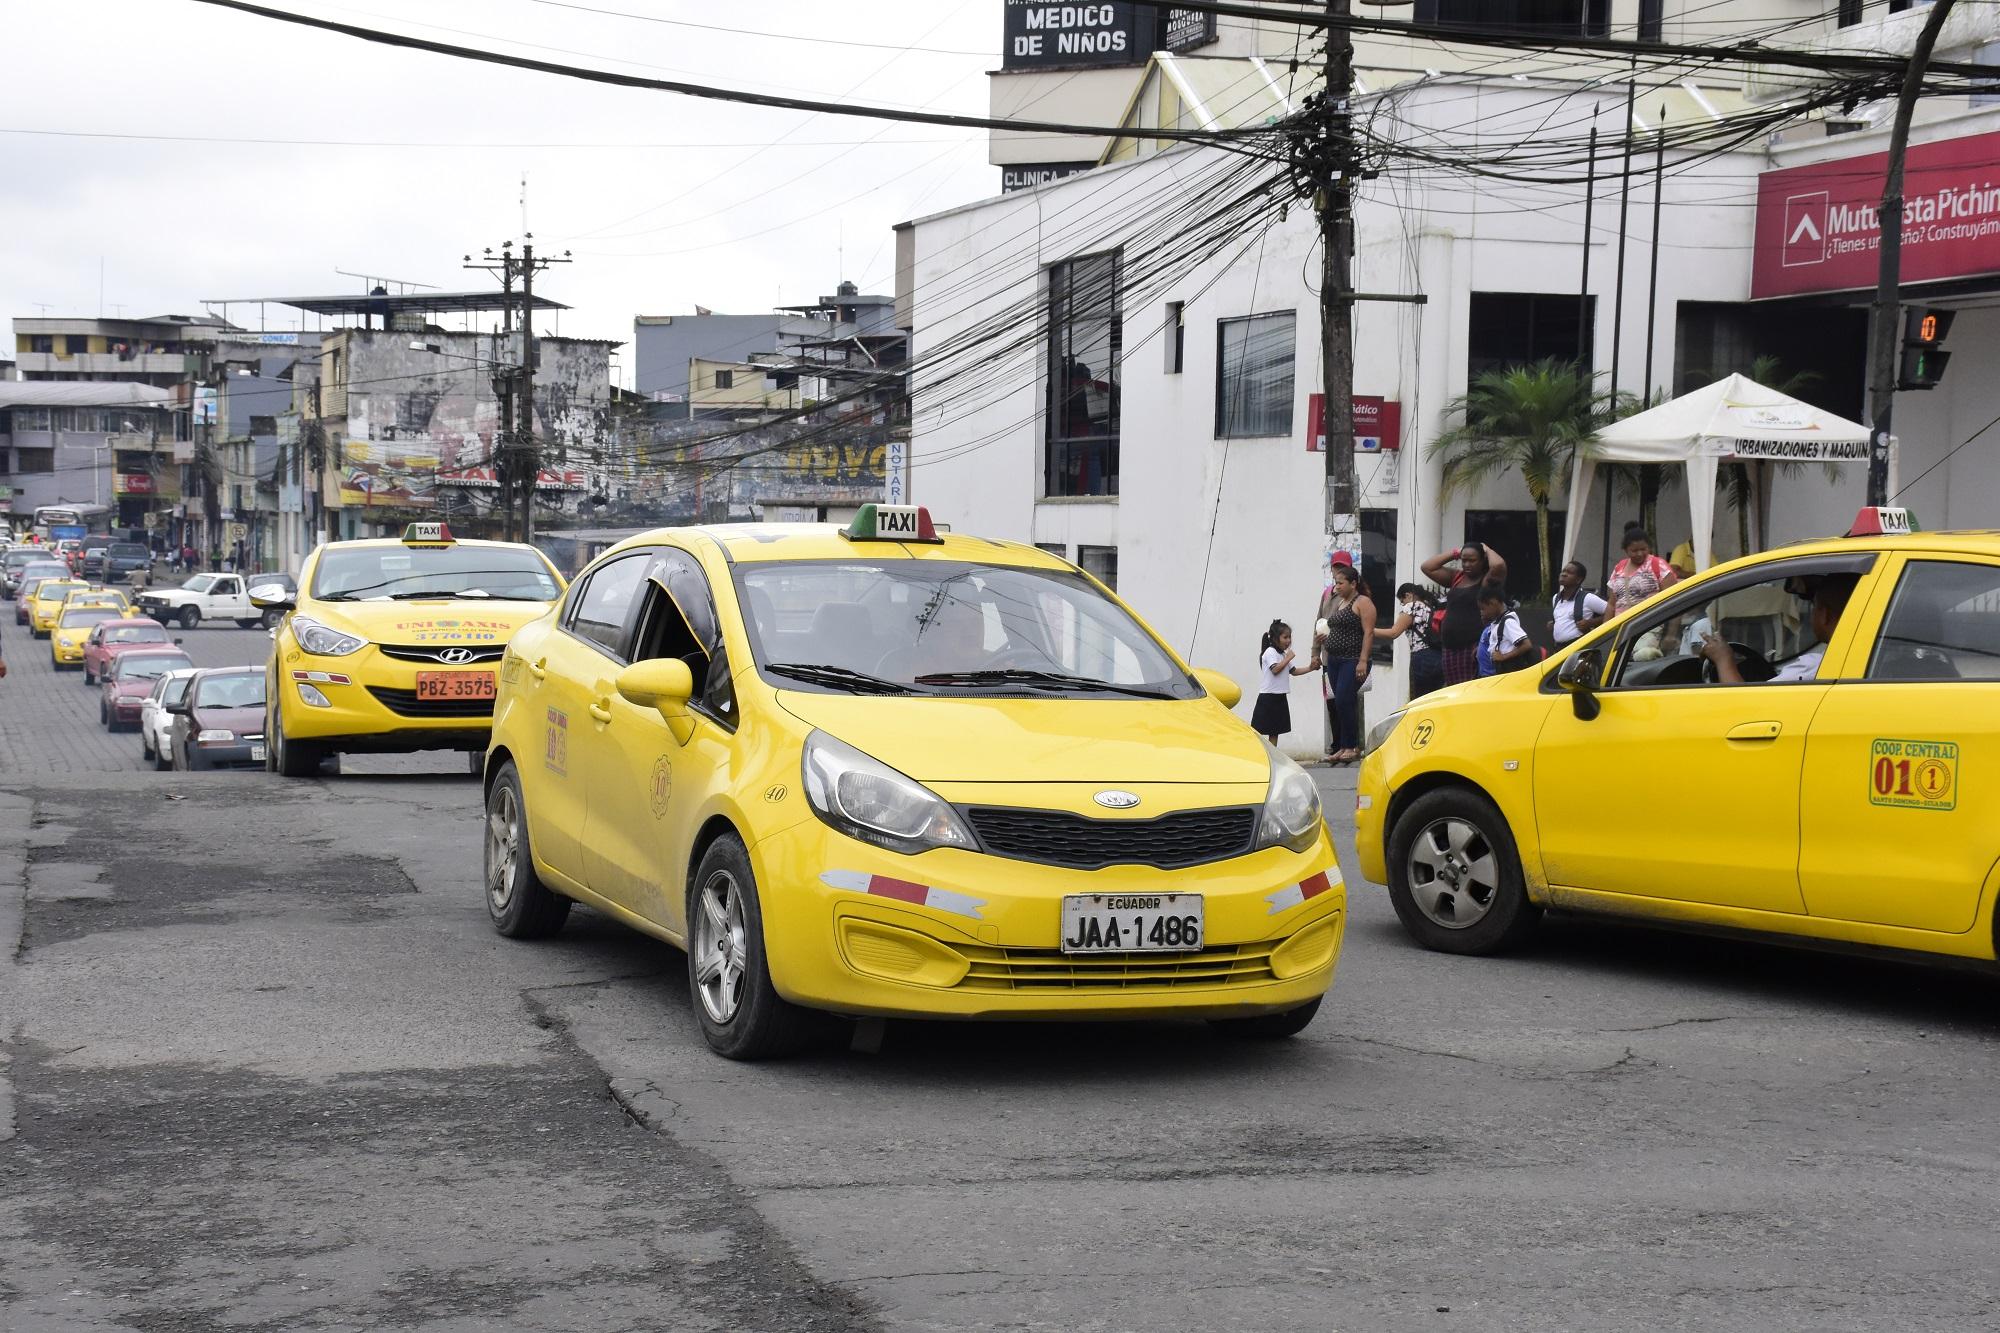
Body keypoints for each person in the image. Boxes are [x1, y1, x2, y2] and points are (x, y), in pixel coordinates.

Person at [1701, 575, 1855, 685]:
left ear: (1824, 615)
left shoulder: (1813, 668)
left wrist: (1723, 659)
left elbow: (1746, 704)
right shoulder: (1859, 660)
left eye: (1814, 606)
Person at [1421, 542, 1508, 687]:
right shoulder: (1457, 577)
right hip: (1450, 648)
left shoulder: (1486, 580)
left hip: (1473, 647)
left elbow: (1498, 565)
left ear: (1482, 560)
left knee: (1471, 689)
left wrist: (1487, 549)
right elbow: (1427, 567)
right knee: (1453, 690)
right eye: (1464, 560)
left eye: (1472, 560)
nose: (1467, 564)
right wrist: (1456, 552)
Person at [1318, 563, 1376, 764]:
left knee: (1345, 700)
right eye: (1335, 583)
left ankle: (1351, 746)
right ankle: (1342, 746)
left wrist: (1362, 660)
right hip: (1334, 660)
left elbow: (1368, 632)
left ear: (1353, 583)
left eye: (1341, 583)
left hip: (1352, 660)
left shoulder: (1362, 602)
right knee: (1338, 703)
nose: (1337, 587)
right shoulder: (1340, 603)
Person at [1252, 619, 1318, 747]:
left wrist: (1311, 668)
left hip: (1280, 696)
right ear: (1276, 638)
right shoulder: (1270, 652)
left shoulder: (1282, 654)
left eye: (1290, 637)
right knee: (1258, 731)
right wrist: (1288, 658)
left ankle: (1272, 755)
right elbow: (1275, 670)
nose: (1288, 641)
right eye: (1285, 637)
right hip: (1268, 697)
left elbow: (1294, 671)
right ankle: (1257, 754)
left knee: (1274, 731)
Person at [1380, 582, 1445, 698]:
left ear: (1408, 595)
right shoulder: (1430, 607)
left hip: (1421, 657)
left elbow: (1394, 633)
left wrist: (1369, 630)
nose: (1403, 604)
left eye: (1402, 601)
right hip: (1438, 656)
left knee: (1419, 699)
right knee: (1435, 698)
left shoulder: (1412, 606)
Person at [1605, 524, 1678, 620]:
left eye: (1643, 549)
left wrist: (1670, 633)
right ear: (1626, 550)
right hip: (1622, 628)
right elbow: (1611, 605)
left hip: (1647, 626)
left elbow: (1673, 601)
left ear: (1649, 547)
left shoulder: (1658, 565)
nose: (1639, 554)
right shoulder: (1619, 568)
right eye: (1634, 551)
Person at [1476, 585, 1537, 675]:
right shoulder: (1497, 622)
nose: (1481, 612)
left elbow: (1526, 645)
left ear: (1493, 603)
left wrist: (1503, 657)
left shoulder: (1508, 622)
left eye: (1483, 609)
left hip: (1509, 669)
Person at [1550, 561, 1608, 647]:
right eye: (1563, 571)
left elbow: (1613, 611)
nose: (1564, 574)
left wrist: (1591, 622)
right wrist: (1554, 623)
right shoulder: (1556, 598)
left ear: (1579, 580)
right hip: (1558, 648)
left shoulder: (1588, 598)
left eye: (1570, 573)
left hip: (1579, 648)